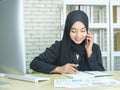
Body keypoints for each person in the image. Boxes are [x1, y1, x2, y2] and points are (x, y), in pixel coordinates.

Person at [30, 10, 105, 74]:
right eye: (73, 31)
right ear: (68, 30)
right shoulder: (58, 47)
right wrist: (59, 69)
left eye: (82, 31)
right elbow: (35, 63)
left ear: (87, 31)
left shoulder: (94, 48)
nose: (78, 35)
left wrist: (89, 52)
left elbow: (101, 73)